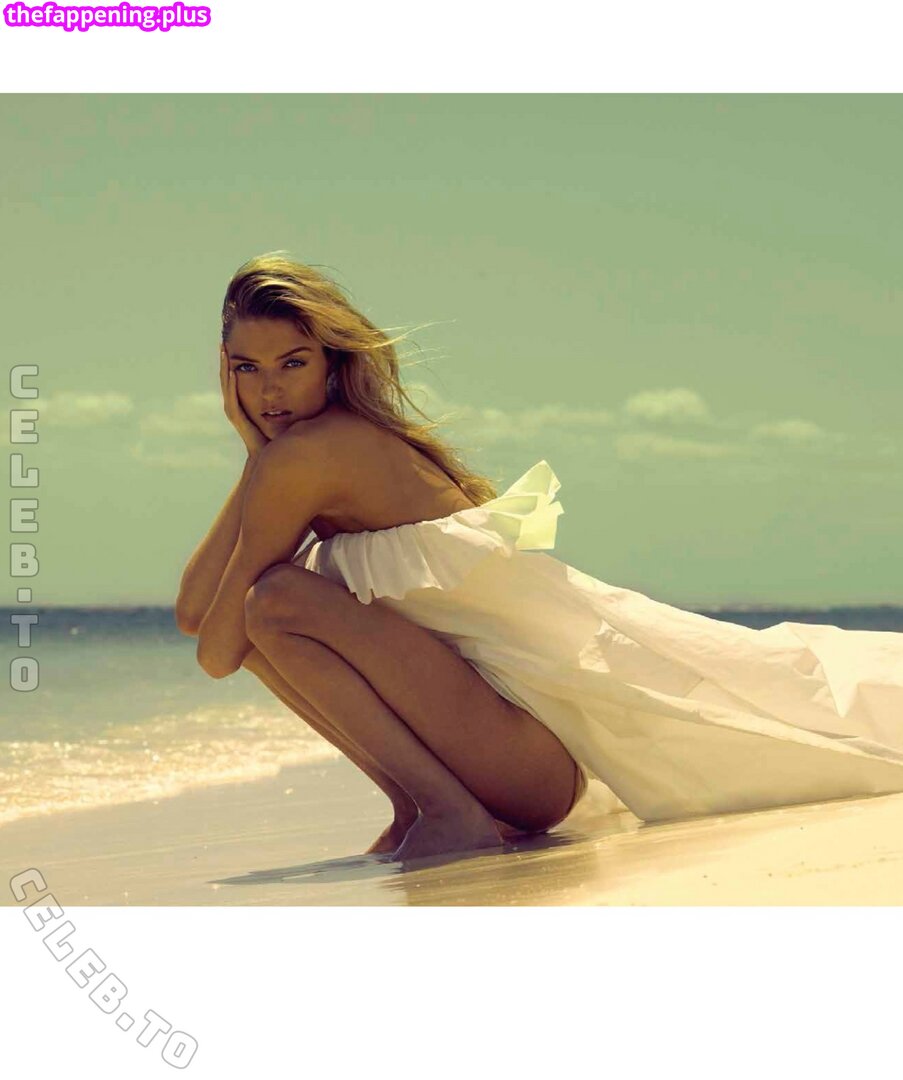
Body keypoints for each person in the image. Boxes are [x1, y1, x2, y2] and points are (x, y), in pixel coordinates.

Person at [177, 252, 903, 863]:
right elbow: (193, 614)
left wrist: (261, 458)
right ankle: (422, 808)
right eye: (247, 368)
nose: (269, 390)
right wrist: (254, 451)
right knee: (268, 603)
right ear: (226, 374)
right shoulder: (302, 450)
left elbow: (216, 651)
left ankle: (445, 811)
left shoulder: (310, 455)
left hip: (529, 764)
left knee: (277, 600)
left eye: (292, 363)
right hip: (518, 765)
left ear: (332, 364)